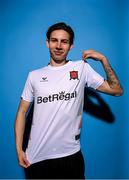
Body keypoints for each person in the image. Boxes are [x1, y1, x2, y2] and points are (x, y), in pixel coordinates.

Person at [14, 22, 123, 179]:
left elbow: (117, 90)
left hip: (70, 156)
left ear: (71, 46)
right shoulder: (34, 76)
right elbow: (22, 112)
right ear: (47, 43)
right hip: (37, 157)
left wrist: (103, 60)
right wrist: (19, 150)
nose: (58, 46)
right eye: (54, 40)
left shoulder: (81, 69)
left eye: (64, 41)